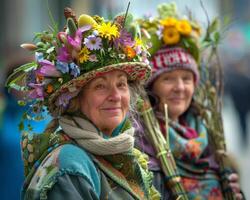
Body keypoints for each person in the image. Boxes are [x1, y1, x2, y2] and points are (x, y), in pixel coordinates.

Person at [6, 7, 160, 200]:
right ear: (75, 100)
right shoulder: (71, 166)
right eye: (100, 86)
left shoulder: (120, 153)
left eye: (121, 84)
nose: (115, 96)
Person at [135, 3, 244, 200]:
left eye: (186, 79)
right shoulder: (140, 142)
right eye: (168, 79)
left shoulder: (207, 136)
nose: (180, 87)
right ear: (150, 87)